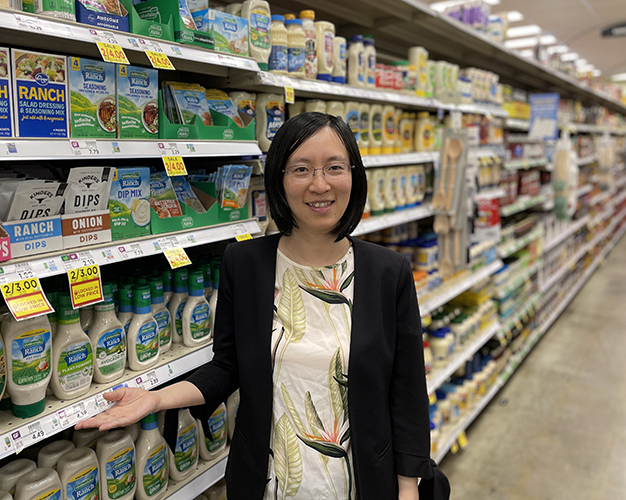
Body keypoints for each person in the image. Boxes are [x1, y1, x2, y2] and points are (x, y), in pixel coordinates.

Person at [76, 112, 449, 499]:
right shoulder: (245, 264)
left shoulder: (388, 272)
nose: (320, 184)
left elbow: (406, 391)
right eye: (301, 169)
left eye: (334, 167)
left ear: (354, 175)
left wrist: (408, 488)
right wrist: (157, 397)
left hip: (362, 484)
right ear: (279, 179)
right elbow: (228, 367)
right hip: (269, 483)